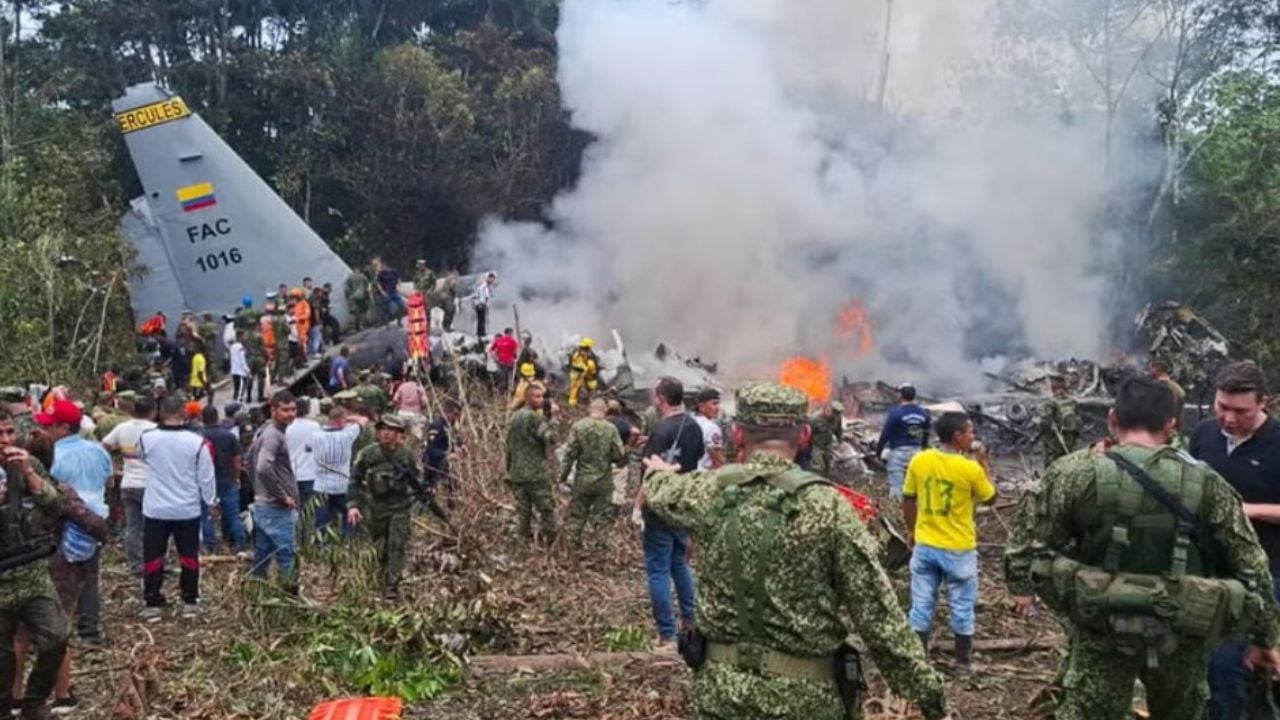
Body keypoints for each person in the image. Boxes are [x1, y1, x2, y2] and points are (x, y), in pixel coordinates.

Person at [641, 381, 949, 720]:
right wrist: (929, 694)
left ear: (739, 435)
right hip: (805, 701)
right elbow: (879, 620)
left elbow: (661, 489)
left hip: (721, 697)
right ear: (803, 436)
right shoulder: (830, 507)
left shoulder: (705, 493)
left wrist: (658, 474)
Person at [1006, 377, 1280, 720]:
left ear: (1112, 418)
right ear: (1172, 425)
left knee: (1091, 711)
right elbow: (1253, 565)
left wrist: (1025, 589)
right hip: (1181, 630)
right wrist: (1265, 639)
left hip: (1100, 625)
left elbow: (1028, 543)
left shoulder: (1071, 475)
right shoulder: (1208, 483)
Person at [1187, 362, 1280, 720]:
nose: (1227, 418)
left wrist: (1249, 511)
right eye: (1222, 406)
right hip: (1206, 570)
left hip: (1264, 572)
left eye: (1239, 411)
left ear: (1263, 403)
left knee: (1228, 666)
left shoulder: (1276, 443)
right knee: (1201, 662)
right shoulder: (1204, 433)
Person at [902, 411, 995, 674]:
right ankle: (963, 664)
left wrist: (911, 530)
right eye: (970, 432)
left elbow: (908, 498)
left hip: (926, 546)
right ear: (957, 437)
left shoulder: (920, 460)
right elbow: (990, 498)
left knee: (920, 604)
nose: (973, 437)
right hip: (958, 549)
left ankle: (918, 663)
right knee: (962, 607)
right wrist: (984, 461)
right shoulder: (970, 468)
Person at [0, 411, 73, 720]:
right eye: (0, 435)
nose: (6, 441)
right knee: (2, 657)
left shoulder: (26, 463)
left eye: (9, 432)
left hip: (31, 573)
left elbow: (58, 506)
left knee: (56, 637)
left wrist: (30, 475)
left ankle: (33, 703)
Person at [35, 401, 111, 643]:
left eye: (50, 426)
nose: (45, 430)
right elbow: (109, 482)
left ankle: (58, 631)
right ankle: (89, 631)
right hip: (94, 521)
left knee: (58, 577)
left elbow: (49, 491)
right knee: (89, 576)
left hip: (64, 522)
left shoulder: (53, 455)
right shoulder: (98, 450)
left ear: (64, 427)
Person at [637, 377, 704, 647]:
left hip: (659, 506)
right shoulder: (693, 426)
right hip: (683, 503)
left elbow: (649, 472)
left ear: (661, 398)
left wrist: (638, 505)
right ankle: (691, 620)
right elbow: (696, 459)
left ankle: (666, 634)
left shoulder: (662, 431)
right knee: (680, 562)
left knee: (658, 569)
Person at [137, 397, 216, 619]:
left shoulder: (146, 439)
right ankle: (190, 600)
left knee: (153, 556)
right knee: (189, 555)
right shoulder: (197, 442)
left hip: (155, 508)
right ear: (184, 413)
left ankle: (152, 601)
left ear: (159, 412)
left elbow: (141, 458)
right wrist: (211, 502)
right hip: (187, 508)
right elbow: (206, 477)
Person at [348, 414, 421, 599]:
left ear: (399, 434)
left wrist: (421, 498)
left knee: (396, 544)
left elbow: (417, 479)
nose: (386, 434)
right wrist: (353, 505)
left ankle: (392, 585)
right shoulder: (368, 454)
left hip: (400, 506)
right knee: (380, 545)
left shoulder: (406, 455)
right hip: (376, 507)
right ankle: (381, 576)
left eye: (391, 430)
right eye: (383, 430)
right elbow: (355, 480)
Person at [560, 398, 626, 549]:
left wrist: (563, 477)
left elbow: (569, 455)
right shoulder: (611, 429)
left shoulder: (578, 427)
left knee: (577, 516)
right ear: (605, 411)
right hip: (603, 481)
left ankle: (573, 545)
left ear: (590, 409)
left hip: (582, 480)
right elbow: (619, 455)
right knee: (602, 517)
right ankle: (601, 546)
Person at [101, 398, 157, 575]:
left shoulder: (122, 428)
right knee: (154, 526)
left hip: (128, 483)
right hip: (150, 485)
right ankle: (153, 562)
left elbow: (104, 445)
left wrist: (112, 467)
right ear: (152, 412)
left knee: (133, 526)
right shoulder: (154, 430)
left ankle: (136, 564)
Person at [251, 391, 299, 589]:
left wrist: (259, 491)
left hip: (264, 504)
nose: (290, 414)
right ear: (274, 410)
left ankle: (257, 592)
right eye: (285, 409)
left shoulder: (270, 432)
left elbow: (249, 462)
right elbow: (262, 467)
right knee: (287, 554)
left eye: (293, 409)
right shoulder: (273, 435)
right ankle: (291, 598)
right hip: (275, 508)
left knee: (263, 553)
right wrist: (281, 496)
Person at [505, 385, 559, 544]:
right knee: (546, 509)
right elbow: (551, 438)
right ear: (527, 398)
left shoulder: (514, 417)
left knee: (523, 512)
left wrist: (508, 469)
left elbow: (509, 446)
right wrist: (554, 418)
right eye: (537, 396)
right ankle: (551, 543)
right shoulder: (533, 417)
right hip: (536, 474)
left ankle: (522, 543)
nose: (541, 400)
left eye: (542, 396)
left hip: (518, 473)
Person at [198, 406, 248, 555]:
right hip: (227, 480)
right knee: (233, 515)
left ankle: (210, 546)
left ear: (202, 418)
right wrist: (237, 477)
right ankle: (241, 544)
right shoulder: (229, 436)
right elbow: (237, 459)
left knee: (207, 515)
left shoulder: (198, 437)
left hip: (206, 481)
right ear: (217, 417)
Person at [311, 405, 362, 540]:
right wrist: (349, 418)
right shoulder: (347, 435)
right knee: (349, 514)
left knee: (321, 518)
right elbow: (363, 420)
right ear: (342, 420)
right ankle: (348, 541)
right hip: (342, 484)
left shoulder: (315, 435)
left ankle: (321, 544)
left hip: (320, 485)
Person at [876, 383, 932, 499]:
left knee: (897, 486)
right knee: (917, 485)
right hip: (917, 453)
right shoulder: (923, 414)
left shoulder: (895, 413)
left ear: (900, 395)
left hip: (898, 453)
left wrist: (878, 451)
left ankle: (897, 511)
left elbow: (885, 434)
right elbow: (926, 433)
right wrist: (924, 449)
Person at [285, 398, 321, 517]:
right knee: (309, 512)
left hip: (290, 475)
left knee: (292, 510)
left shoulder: (286, 427)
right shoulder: (314, 426)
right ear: (307, 409)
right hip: (310, 474)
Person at [424, 400, 461, 503]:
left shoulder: (451, 426)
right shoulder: (437, 426)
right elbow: (430, 449)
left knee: (451, 487)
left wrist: (460, 446)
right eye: (455, 414)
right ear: (448, 413)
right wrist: (446, 455)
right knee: (432, 493)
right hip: (434, 464)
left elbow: (452, 441)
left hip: (446, 465)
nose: (456, 418)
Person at [1039, 375, 1081, 464]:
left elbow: (1045, 421)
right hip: (1071, 434)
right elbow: (1077, 416)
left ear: (1052, 388)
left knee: (1052, 458)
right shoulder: (1072, 401)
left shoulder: (1051, 402)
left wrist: (1042, 431)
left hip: (1056, 436)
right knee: (1068, 457)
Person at [808, 401, 844, 478]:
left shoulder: (837, 418)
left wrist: (840, 441)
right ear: (827, 409)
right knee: (818, 466)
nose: (834, 417)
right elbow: (808, 433)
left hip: (828, 445)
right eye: (833, 413)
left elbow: (838, 430)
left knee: (828, 465)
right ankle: (815, 482)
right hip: (816, 445)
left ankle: (824, 479)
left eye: (836, 415)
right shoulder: (815, 419)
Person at [691, 388, 725, 470]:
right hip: (705, 472)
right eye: (714, 404)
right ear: (702, 407)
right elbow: (718, 459)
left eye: (718, 404)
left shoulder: (690, 421)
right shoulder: (711, 428)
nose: (718, 408)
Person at [567, 338, 600, 408]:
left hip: (582, 374)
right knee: (575, 389)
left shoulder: (578, 353)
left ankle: (590, 399)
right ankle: (572, 405)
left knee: (586, 387)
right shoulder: (579, 355)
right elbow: (581, 367)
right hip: (578, 374)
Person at [471, 271, 497, 337]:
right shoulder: (483, 286)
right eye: (492, 279)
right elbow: (482, 296)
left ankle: (482, 332)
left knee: (483, 319)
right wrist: (482, 304)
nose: (493, 280)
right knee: (481, 319)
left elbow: (490, 295)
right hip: (480, 304)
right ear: (489, 278)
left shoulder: (487, 286)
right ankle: (481, 333)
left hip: (483, 304)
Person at [229, 333, 249, 403]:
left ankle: (234, 400)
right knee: (241, 388)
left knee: (236, 388)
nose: (245, 338)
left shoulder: (232, 347)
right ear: (240, 337)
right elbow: (242, 359)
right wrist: (247, 370)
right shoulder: (241, 347)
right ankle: (239, 402)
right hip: (241, 371)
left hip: (234, 371)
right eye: (244, 337)